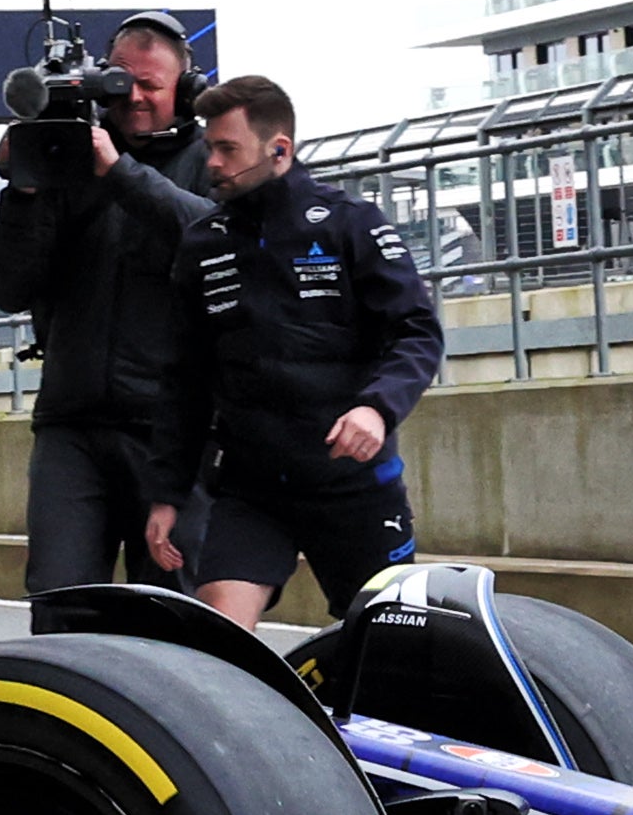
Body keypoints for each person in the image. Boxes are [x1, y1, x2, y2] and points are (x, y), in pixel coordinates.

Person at [149, 74, 447, 624]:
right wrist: (166, 494)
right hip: (250, 489)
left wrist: (376, 408)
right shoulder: (203, 244)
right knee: (219, 637)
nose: (211, 162)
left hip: (351, 484)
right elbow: (183, 381)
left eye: (226, 148)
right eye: (208, 146)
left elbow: (417, 331)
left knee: (379, 646)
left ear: (279, 149)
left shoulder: (349, 225)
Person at [0, 11, 210, 591]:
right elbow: (9, 289)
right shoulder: (65, 160)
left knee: (175, 615)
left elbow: (217, 245)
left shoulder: (212, 161)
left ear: (183, 88)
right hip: (72, 425)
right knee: (62, 601)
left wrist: (121, 173)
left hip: (175, 432)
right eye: (123, 84)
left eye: (151, 87)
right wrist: (25, 189)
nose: (134, 100)